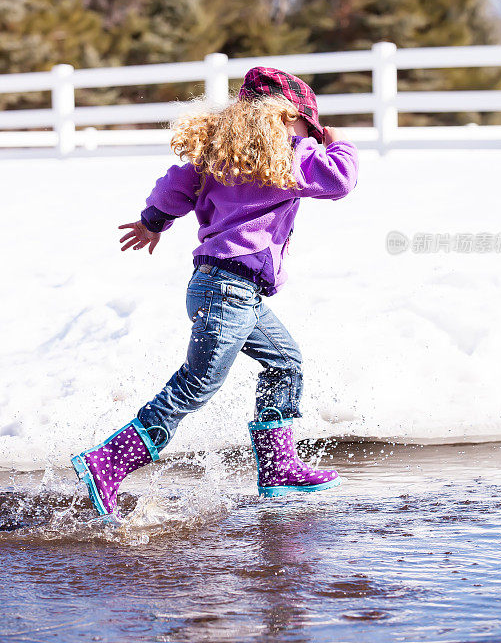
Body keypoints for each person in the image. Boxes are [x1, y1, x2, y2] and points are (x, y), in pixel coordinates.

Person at [71, 66, 359, 518]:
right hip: (230, 290)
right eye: (309, 125)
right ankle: (108, 461)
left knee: (285, 360)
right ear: (288, 119)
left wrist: (152, 222)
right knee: (199, 382)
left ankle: (278, 466)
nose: (313, 134)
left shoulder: (219, 154)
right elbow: (339, 180)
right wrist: (336, 142)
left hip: (221, 287)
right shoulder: (286, 156)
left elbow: (174, 186)